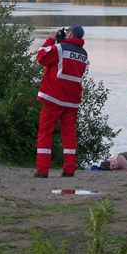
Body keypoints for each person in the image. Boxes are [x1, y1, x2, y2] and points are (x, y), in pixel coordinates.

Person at [34, 24, 88, 178]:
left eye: (67, 32)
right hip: (72, 101)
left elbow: (41, 57)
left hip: (54, 98)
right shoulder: (84, 53)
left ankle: (42, 170)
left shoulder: (60, 48)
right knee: (69, 134)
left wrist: (51, 40)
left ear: (70, 34)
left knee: (45, 133)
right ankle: (69, 169)